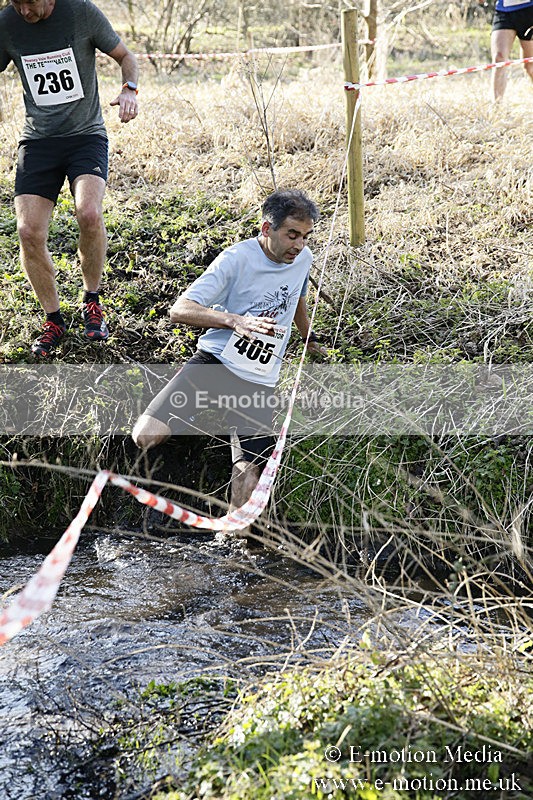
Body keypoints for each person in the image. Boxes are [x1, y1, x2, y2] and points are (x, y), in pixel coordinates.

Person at [133, 189, 327, 531]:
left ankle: (233, 544)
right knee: (146, 435)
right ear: (267, 229)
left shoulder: (303, 258)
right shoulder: (235, 259)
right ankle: (186, 444)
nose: (299, 245)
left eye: (305, 236)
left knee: (250, 472)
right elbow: (180, 310)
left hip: (258, 378)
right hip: (215, 364)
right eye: (292, 235)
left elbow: (297, 294)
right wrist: (234, 320)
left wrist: (308, 337)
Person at [0, 0, 139, 356]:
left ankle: (92, 300)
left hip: (85, 136)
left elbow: (127, 57)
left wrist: (129, 89)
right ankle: (53, 319)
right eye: (14, 3)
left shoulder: (81, 12)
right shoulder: (7, 23)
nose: (22, 11)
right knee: (28, 231)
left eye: (28, 3)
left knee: (89, 213)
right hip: (38, 141)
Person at [490, 0, 533, 101]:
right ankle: (496, 109)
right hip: (504, 11)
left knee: (530, 66)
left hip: (530, 10)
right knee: (499, 59)